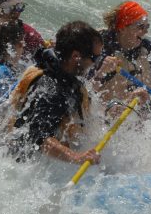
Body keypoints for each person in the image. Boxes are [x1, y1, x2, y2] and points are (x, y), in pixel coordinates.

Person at [7, 21, 104, 165]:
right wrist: (76, 157)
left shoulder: (66, 79)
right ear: (76, 56)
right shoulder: (50, 88)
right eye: (94, 58)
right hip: (21, 166)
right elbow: (38, 137)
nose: (95, 64)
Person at [92, 1, 151, 117]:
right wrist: (102, 72)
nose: (146, 31)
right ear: (123, 27)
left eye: (147, 27)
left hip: (140, 117)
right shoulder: (102, 47)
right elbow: (88, 90)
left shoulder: (147, 48)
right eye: (141, 27)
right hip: (106, 115)